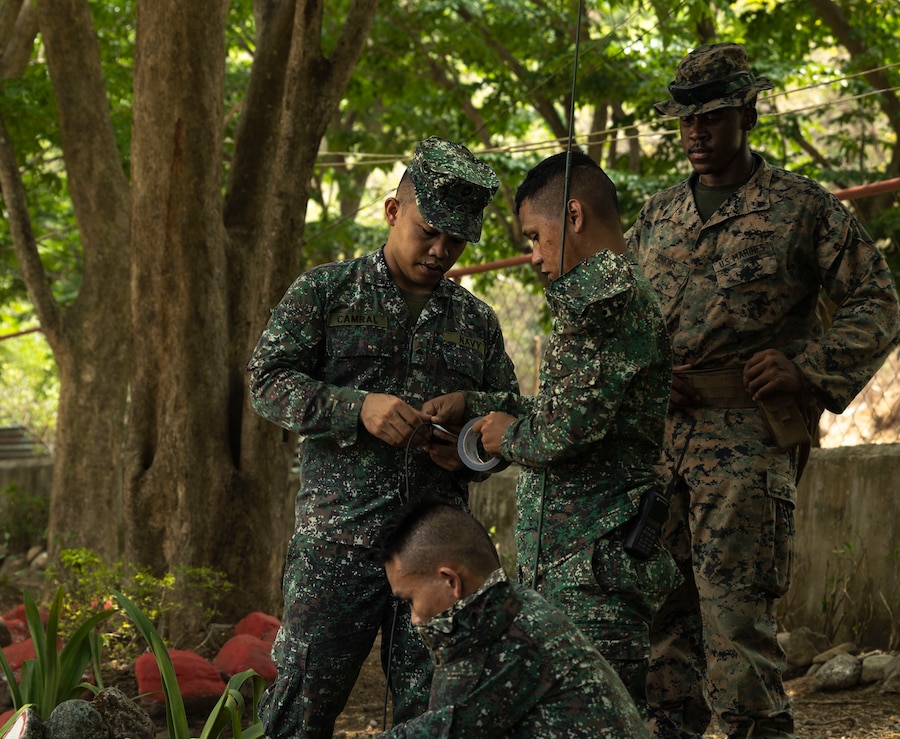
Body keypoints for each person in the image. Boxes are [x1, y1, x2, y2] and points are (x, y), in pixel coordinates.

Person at [626, 43, 900, 739]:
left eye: (712, 117)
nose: (696, 133)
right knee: (660, 634)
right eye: (685, 120)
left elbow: (878, 302)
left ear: (748, 113)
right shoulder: (655, 218)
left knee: (737, 633)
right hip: (661, 447)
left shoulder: (801, 207)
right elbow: (619, 320)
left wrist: (808, 364)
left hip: (746, 452)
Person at [247, 136, 520, 739]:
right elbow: (266, 382)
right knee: (298, 714)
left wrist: (469, 446)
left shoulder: (475, 321)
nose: (441, 250)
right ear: (394, 212)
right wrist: (357, 407)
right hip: (336, 549)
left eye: (457, 240)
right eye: (429, 231)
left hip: (435, 558)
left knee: (435, 717)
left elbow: (512, 415)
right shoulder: (324, 292)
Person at [423, 151, 680, 711]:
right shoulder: (608, 293)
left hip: (593, 571)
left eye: (536, 237)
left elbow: (566, 428)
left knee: (593, 718)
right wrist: (477, 406)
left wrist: (504, 438)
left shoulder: (599, 296)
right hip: (577, 569)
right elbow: (570, 408)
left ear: (575, 215)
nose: (533, 256)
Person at [374, 498, 652, 738]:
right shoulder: (506, 607)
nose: (414, 619)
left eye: (410, 600)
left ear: (451, 582)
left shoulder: (514, 641)